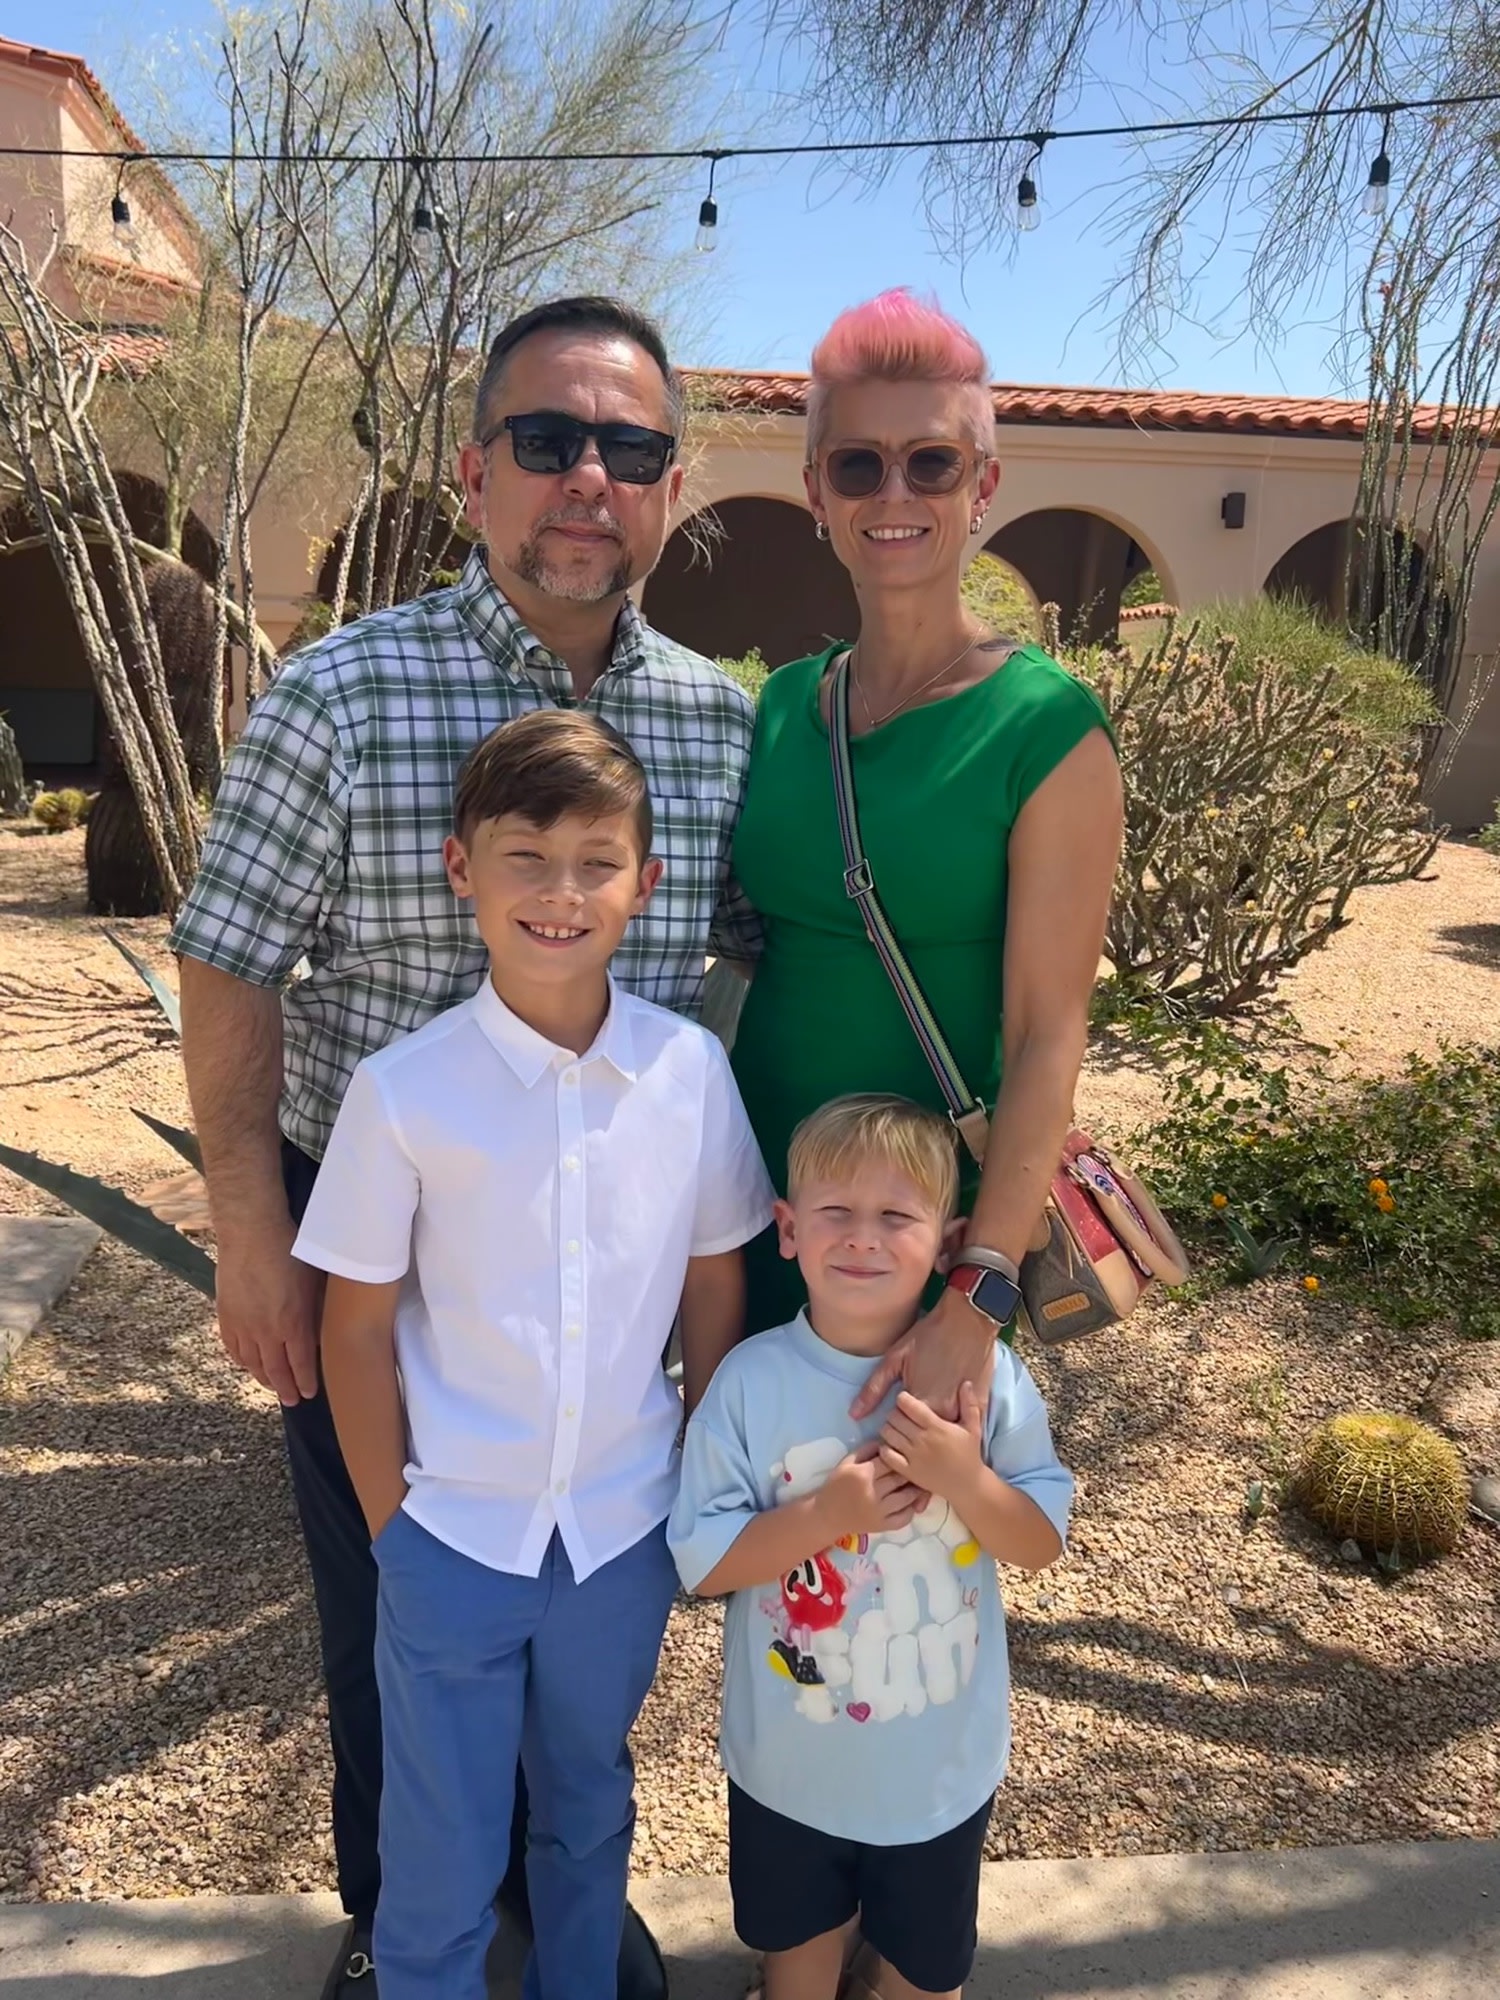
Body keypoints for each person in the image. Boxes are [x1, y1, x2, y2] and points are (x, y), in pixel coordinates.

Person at [168, 295, 759, 2000]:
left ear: (671, 487)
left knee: (581, 1607)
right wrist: (248, 1229)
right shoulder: (342, 694)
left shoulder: (719, 725)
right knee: (393, 1612)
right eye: (549, 440)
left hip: (598, 1268)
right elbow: (227, 956)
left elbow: (758, 963)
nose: (589, 479)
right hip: (371, 1253)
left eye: (630, 449)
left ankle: (560, 1901)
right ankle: (403, 1922)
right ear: (472, 468)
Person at [292, 709, 773, 2000]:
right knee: (437, 1849)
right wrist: (394, 1529)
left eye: (595, 862)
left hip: (619, 1535)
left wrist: (702, 1461)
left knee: (587, 1808)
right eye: (527, 857)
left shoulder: (689, 1073)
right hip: (450, 1538)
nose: (562, 893)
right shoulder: (403, 1091)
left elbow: (714, 1274)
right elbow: (353, 1325)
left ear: (644, 883)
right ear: (463, 868)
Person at [723, 289, 1124, 1418]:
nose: (893, 494)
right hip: (758, 1194)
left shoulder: (1046, 731)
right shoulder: (784, 707)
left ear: (981, 485)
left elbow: (1047, 1034)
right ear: (817, 491)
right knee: (749, 1502)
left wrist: (979, 1290)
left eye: (932, 463)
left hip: (923, 1232)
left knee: (905, 1517)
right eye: (858, 464)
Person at [669, 1094, 1072, 2000]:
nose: (862, 1237)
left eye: (896, 1216)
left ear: (950, 1242)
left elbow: (1040, 1541)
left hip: (939, 1777)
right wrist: (827, 1514)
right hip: (787, 1775)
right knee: (797, 1967)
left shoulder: (988, 1379)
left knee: (925, 1977)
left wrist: (964, 1477)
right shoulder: (749, 1382)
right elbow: (704, 1562)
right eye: (836, 1212)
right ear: (787, 1230)